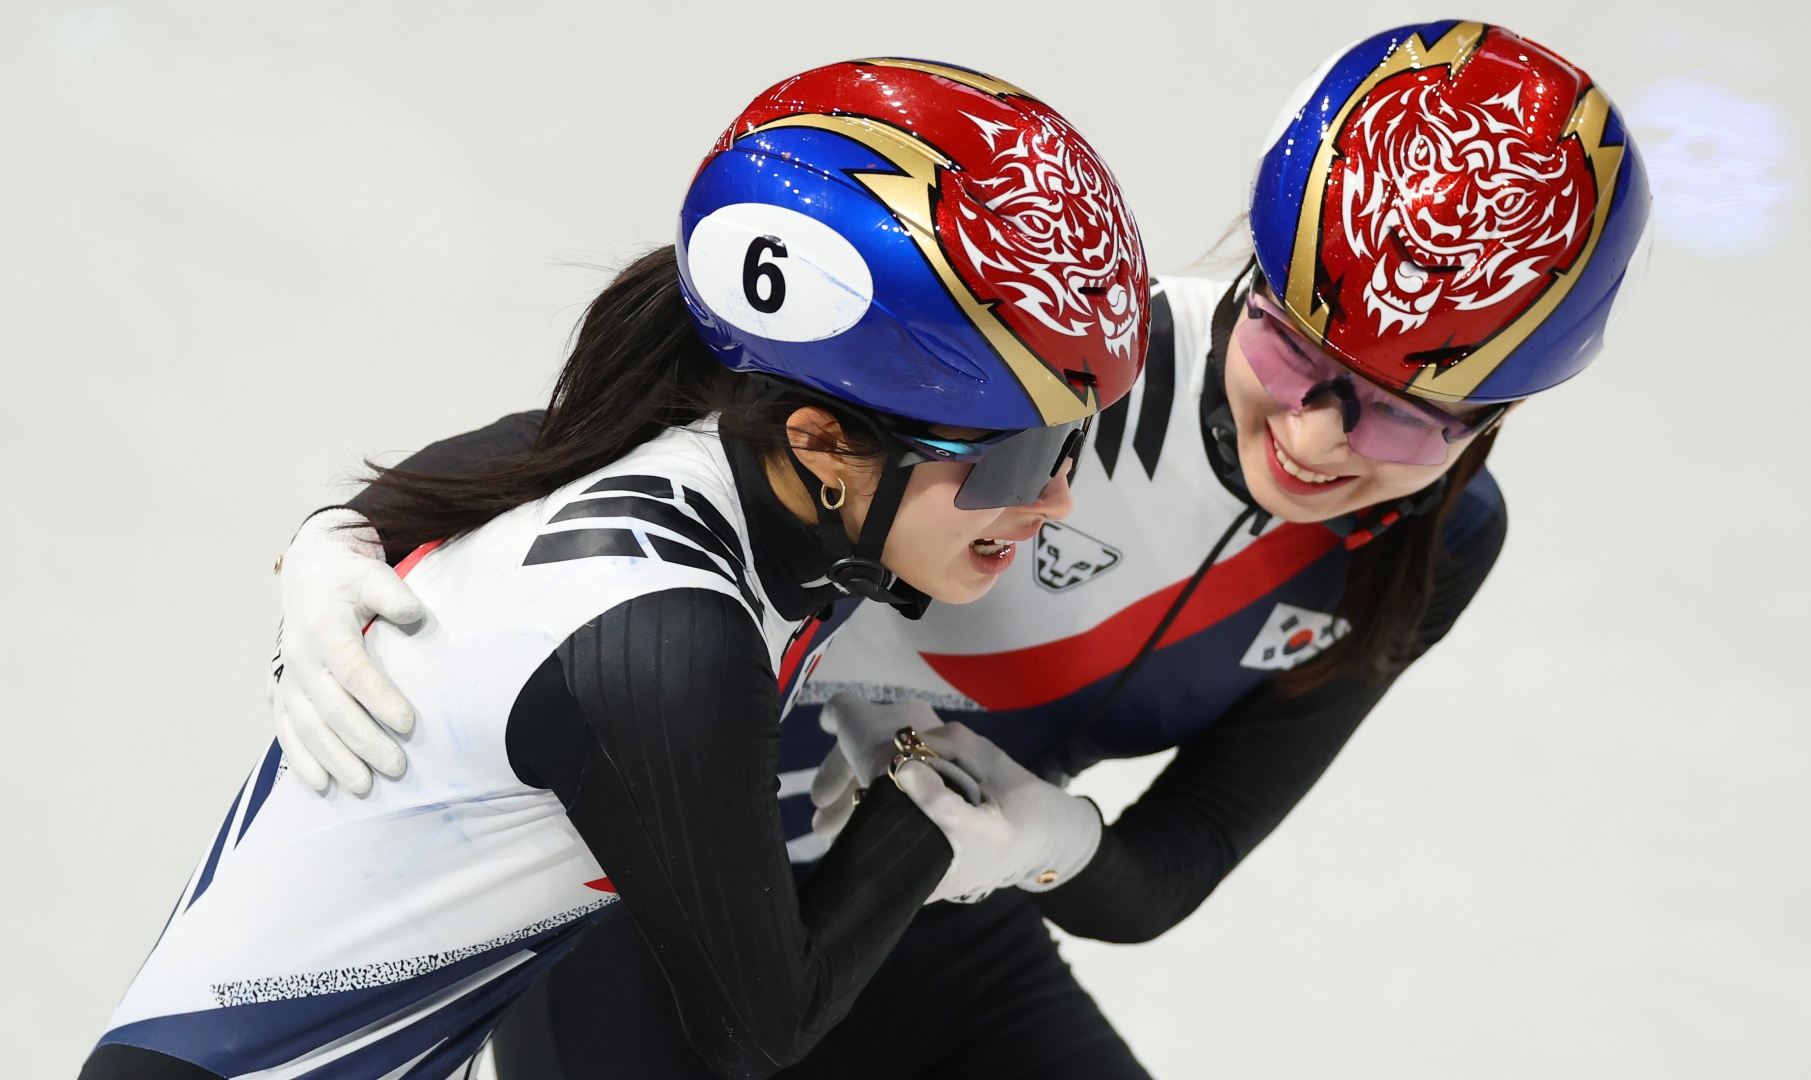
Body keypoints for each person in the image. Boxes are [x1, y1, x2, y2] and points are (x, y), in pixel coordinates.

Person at [270, 22, 1651, 1079]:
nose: (1319, 435)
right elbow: (621, 451)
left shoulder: (1435, 548)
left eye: (1408, 419)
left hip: (917, 904)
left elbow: (1181, 860)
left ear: (1500, 422)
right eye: (1290, 347)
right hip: (657, 905)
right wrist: (346, 537)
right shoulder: (1061, 366)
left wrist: (1049, 843)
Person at [81, 58, 1150, 1080]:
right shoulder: (670, 636)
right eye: (1010, 457)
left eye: (1073, 443)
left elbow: (473, 463)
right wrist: (929, 819)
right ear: (822, 442)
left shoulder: (702, 451)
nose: (1055, 499)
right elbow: (760, 1026)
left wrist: (336, 528)